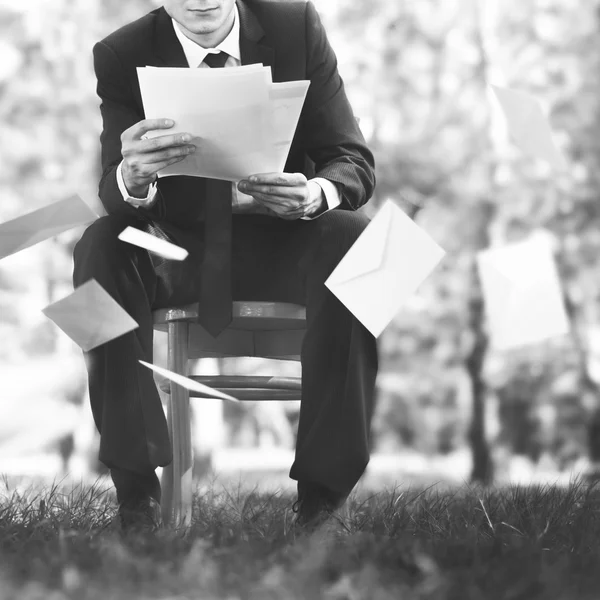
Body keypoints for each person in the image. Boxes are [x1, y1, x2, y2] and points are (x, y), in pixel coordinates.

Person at [73, 0, 378, 534]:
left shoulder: (295, 26)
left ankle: (324, 500)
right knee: (96, 247)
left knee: (369, 245)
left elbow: (353, 161)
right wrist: (132, 176)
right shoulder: (121, 53)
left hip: (286, 245)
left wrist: (314, 194)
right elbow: (112, 194)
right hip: (180, 254)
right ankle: (135, 492)